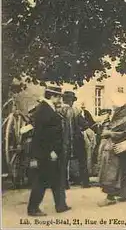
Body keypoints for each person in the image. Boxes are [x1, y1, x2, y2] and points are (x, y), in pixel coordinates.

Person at [27, 86, 71, 216]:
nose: (60, 99)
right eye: (58, 97)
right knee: (42, 180)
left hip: (52, 152)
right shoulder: (44, 110)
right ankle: (33, 208)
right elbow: (42, 135)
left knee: (57, 179)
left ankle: (61, 205)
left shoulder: (47, 108)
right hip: (47, 153)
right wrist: (51, 150)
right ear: (52, 96)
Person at [97, 94, 126, 206]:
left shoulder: (125, 115)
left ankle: (110, 197)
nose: (112, 105)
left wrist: (110, 133)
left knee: (112, 173)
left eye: (114, 103)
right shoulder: (122, 113)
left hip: (120, 147)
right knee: (125, 172)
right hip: (122, 149)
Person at [58, 91, 90, 188]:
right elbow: (84, 125)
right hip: (76, 140)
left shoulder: (58, 111)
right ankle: (85, 183)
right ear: (71, 101)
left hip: (62, 140)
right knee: (82, 161)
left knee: (63, 162)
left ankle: (64, 184)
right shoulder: (76, 111)